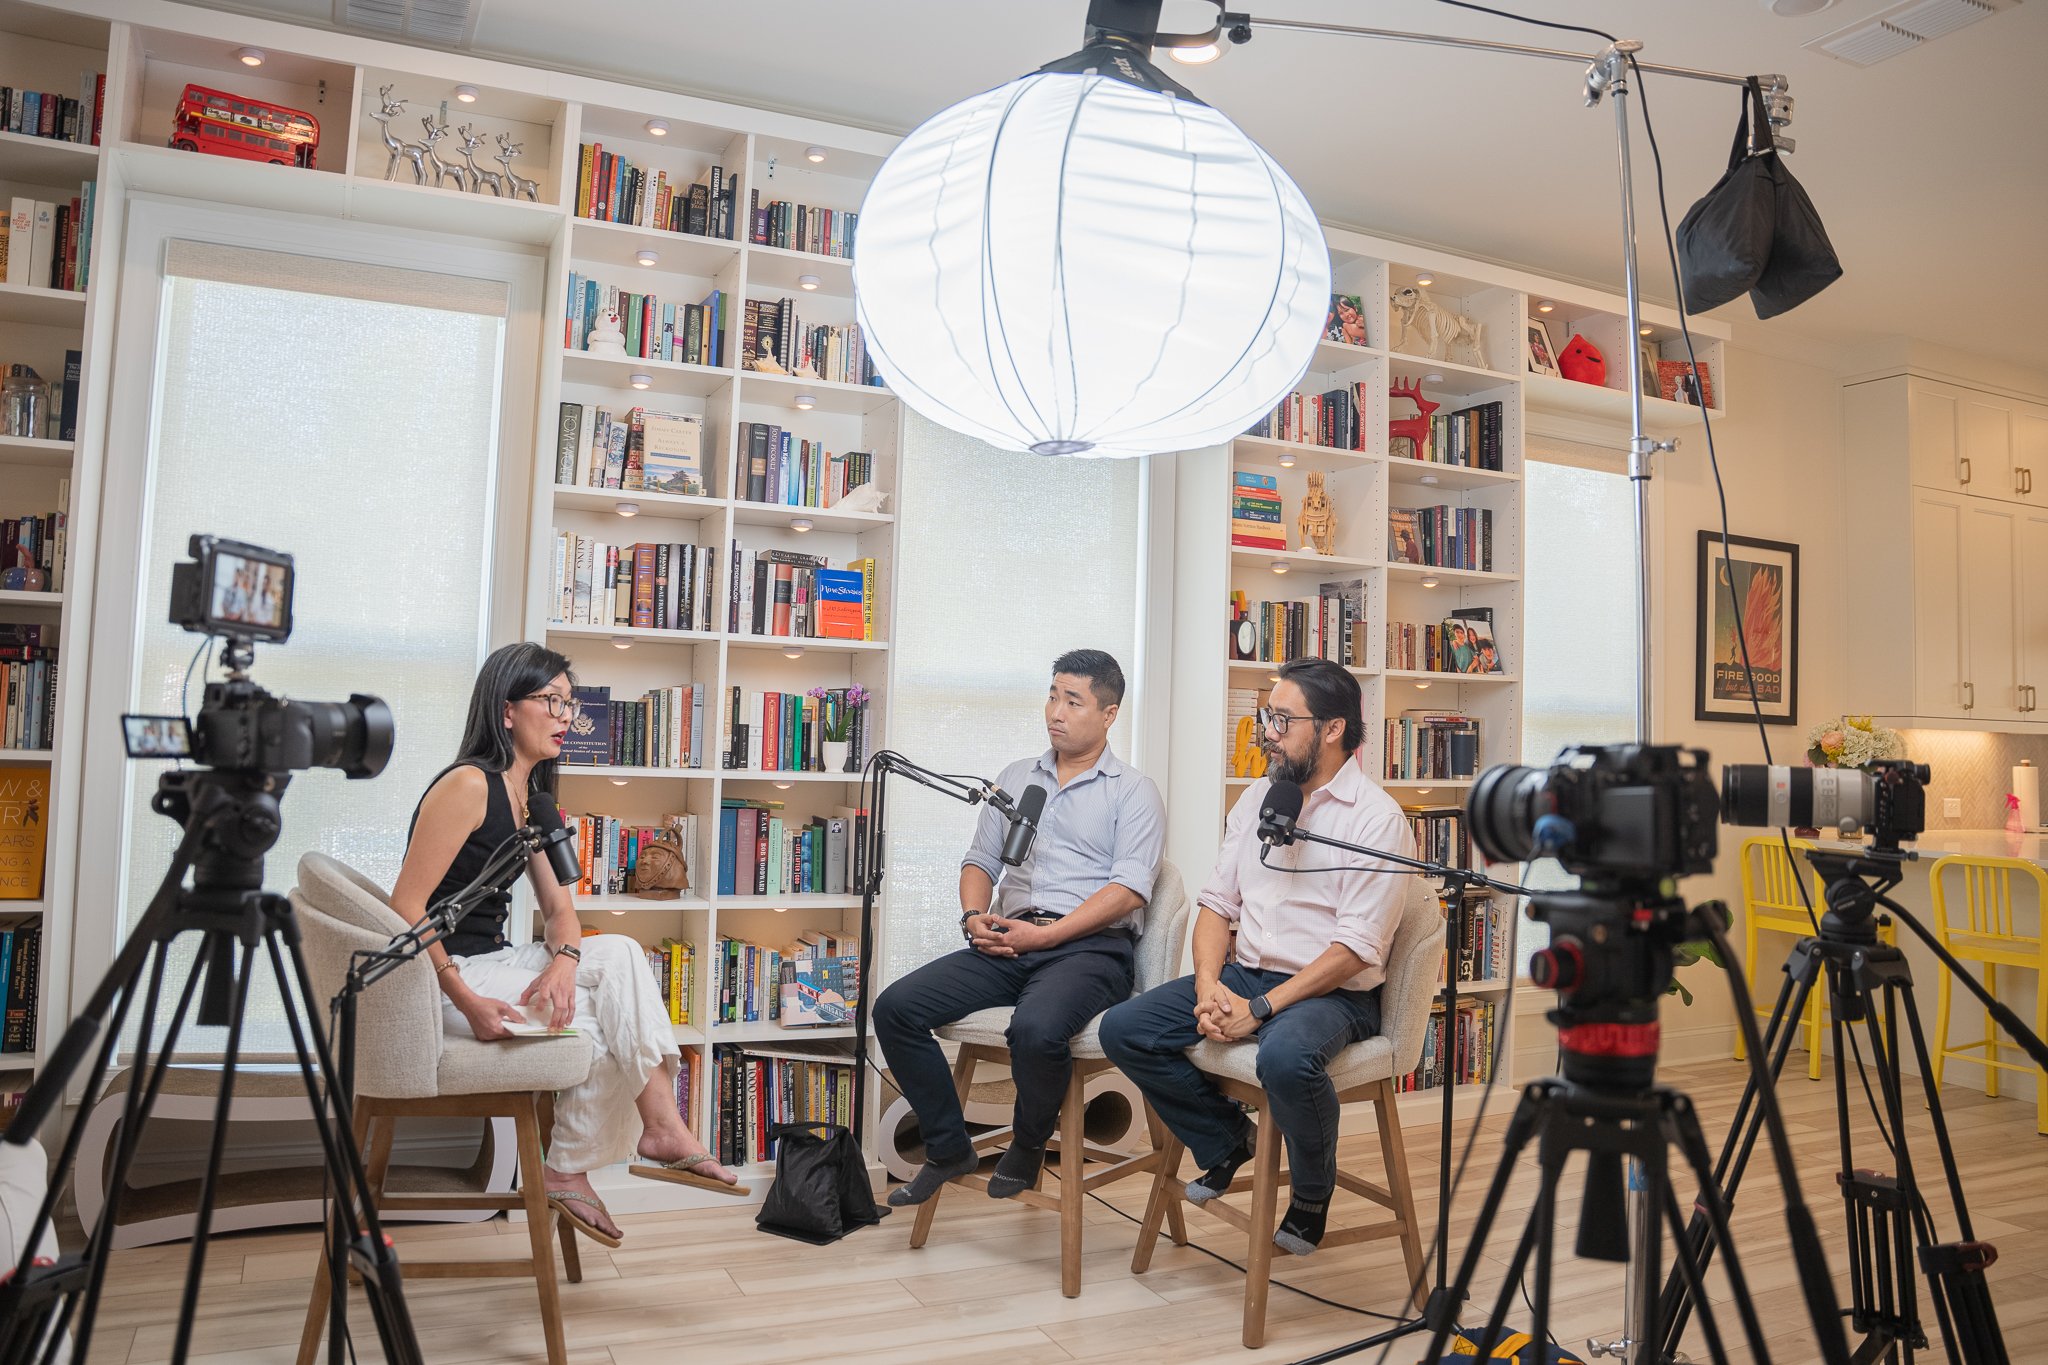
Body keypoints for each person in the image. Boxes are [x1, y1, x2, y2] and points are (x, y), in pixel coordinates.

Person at [388, 641, 741, 1248]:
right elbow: (404, 910)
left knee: (615, 969)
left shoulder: (534, 797)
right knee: (601, 1014)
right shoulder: (470, 786)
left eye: (568, 703)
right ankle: (639, 1137)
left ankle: (583, 1160)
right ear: (505, 711)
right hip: (442, 976)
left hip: (493, 961)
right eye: (550, 701)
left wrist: (562, 963)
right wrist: (467, 1000)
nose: (564, 716)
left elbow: (560, 912)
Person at [1100, 658, 1415, 1257]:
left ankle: (1311, 1193)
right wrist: (1210, 989)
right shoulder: (1256, 800)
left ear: (1331, 729)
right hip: (1248, 971)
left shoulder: (1376, 820)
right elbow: (1217, 905)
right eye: (1266, 715)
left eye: (1282, 718)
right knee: (1126, 1028)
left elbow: (1356, 949)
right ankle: (1224, 1142)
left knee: (1286, 1058)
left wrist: (1262, 1009)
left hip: (1331, 992)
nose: (1267, 730)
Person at [874, 649, 1165, 1206]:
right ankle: (948, 1145)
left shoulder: (1133, 791)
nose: (1055, 710)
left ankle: (1029, 1145)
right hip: (1010, 939)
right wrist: (973, 917)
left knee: (1035, 1029)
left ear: (1108, 714)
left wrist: (1051, 937)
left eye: (1073, 700)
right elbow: (981, 859)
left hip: (1088, 949)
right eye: (1053, 694)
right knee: (896, 1008)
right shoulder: (1015, 778)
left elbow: (1127, 890)